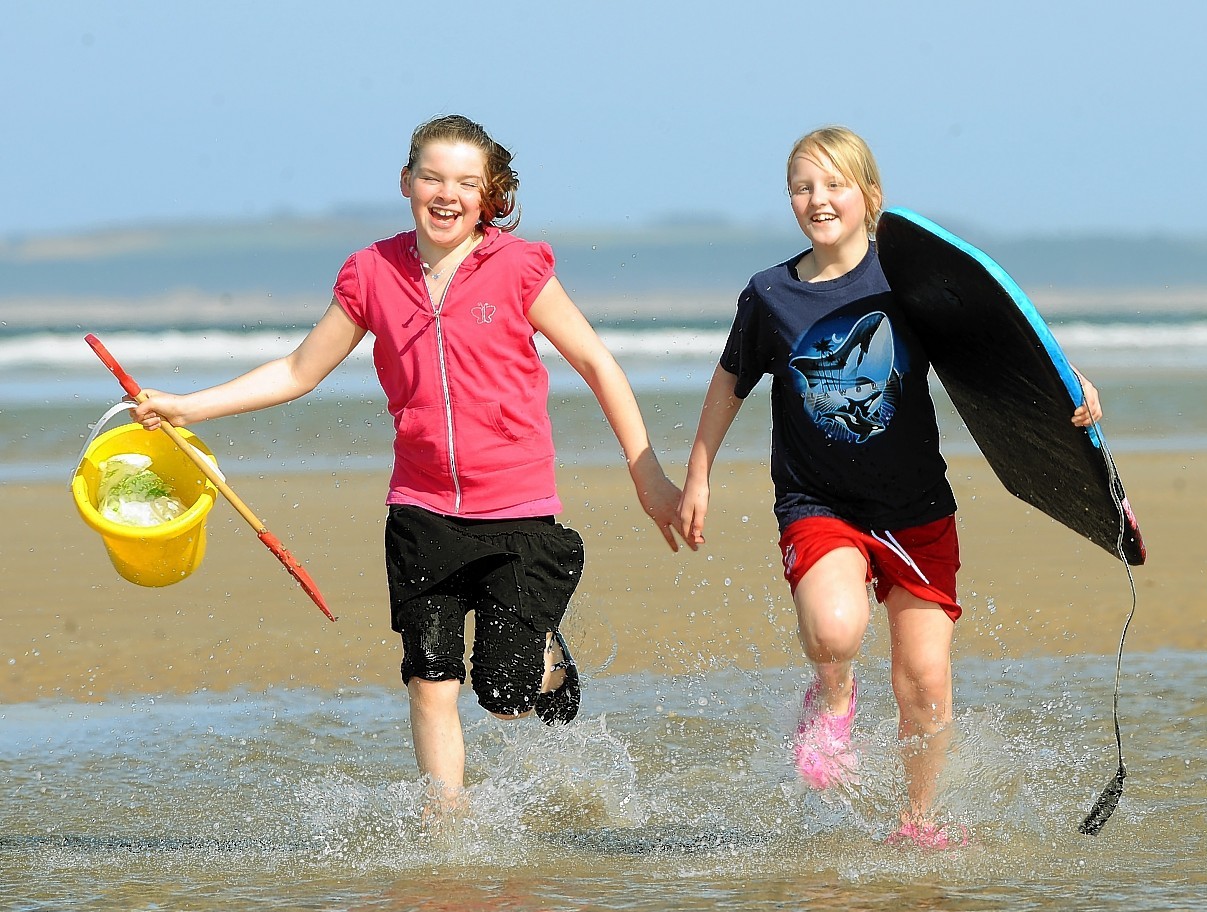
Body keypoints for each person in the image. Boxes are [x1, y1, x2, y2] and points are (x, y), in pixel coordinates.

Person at [131, 115, 690, 817]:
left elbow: (596, 363)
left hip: (517, 509)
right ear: (406, 183)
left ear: (490, 197)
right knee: (430, 677)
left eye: (466, 182)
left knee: (506, 694)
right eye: (431, 176)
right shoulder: (372, 273)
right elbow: (300, 369)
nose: (446, 193)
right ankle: (444, 817)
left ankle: (546, 661)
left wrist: (647, 476)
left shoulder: (519, 267)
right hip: (421, 510)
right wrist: (190, 407)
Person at [677, 126, 1103, 848]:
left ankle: (917, 820)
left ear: (869, 197)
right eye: (803, 187)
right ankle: (832, 700)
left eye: (834, 184)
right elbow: (730, 377)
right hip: (820, 503)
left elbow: (998, 353)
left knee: (925, 683)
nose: (818, 199)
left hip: (915, 509)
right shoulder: (770, 294)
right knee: (837, 630)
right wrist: (697, 474)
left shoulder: (907, 286)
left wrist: (1071, 385)